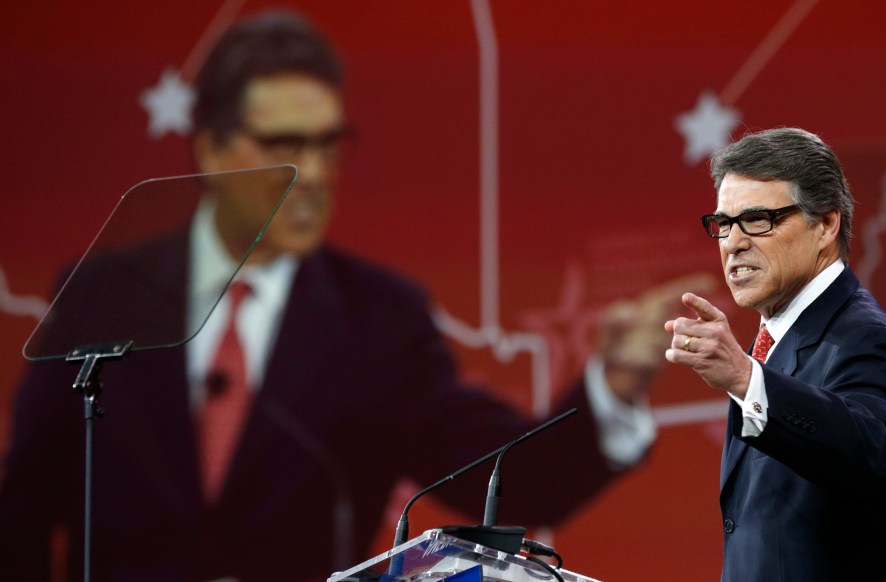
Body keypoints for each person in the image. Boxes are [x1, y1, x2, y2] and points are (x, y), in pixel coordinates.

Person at [0, 10, 680, 582]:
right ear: (209, 145)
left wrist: (613, 388)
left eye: (330, 145)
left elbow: (502, 479)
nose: (317, 174)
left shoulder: (378, 319)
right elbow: (24, 513)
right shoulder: (106, 292)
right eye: (287, 144)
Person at [664, 127, 886, 581]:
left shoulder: (866, 336)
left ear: (825, 225)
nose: (733, 242)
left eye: (757, 219)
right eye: (724, 224)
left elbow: (872, 453)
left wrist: (747, 380)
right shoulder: (774, 338)